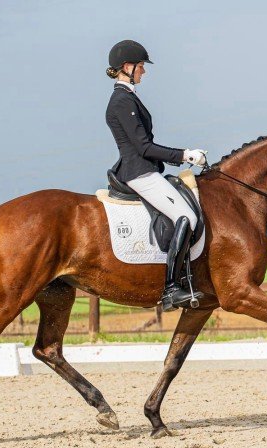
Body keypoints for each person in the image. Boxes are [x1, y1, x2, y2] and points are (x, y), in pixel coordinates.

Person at [105, 39, 205, 312]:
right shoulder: (121, 101)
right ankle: (172, 288)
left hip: (145, 170)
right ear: (127, 67)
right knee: (187, 216)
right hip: (139, 172)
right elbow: (144, 147)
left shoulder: (128, 98)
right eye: (140, 67)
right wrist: (186, 155)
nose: (143, 72)